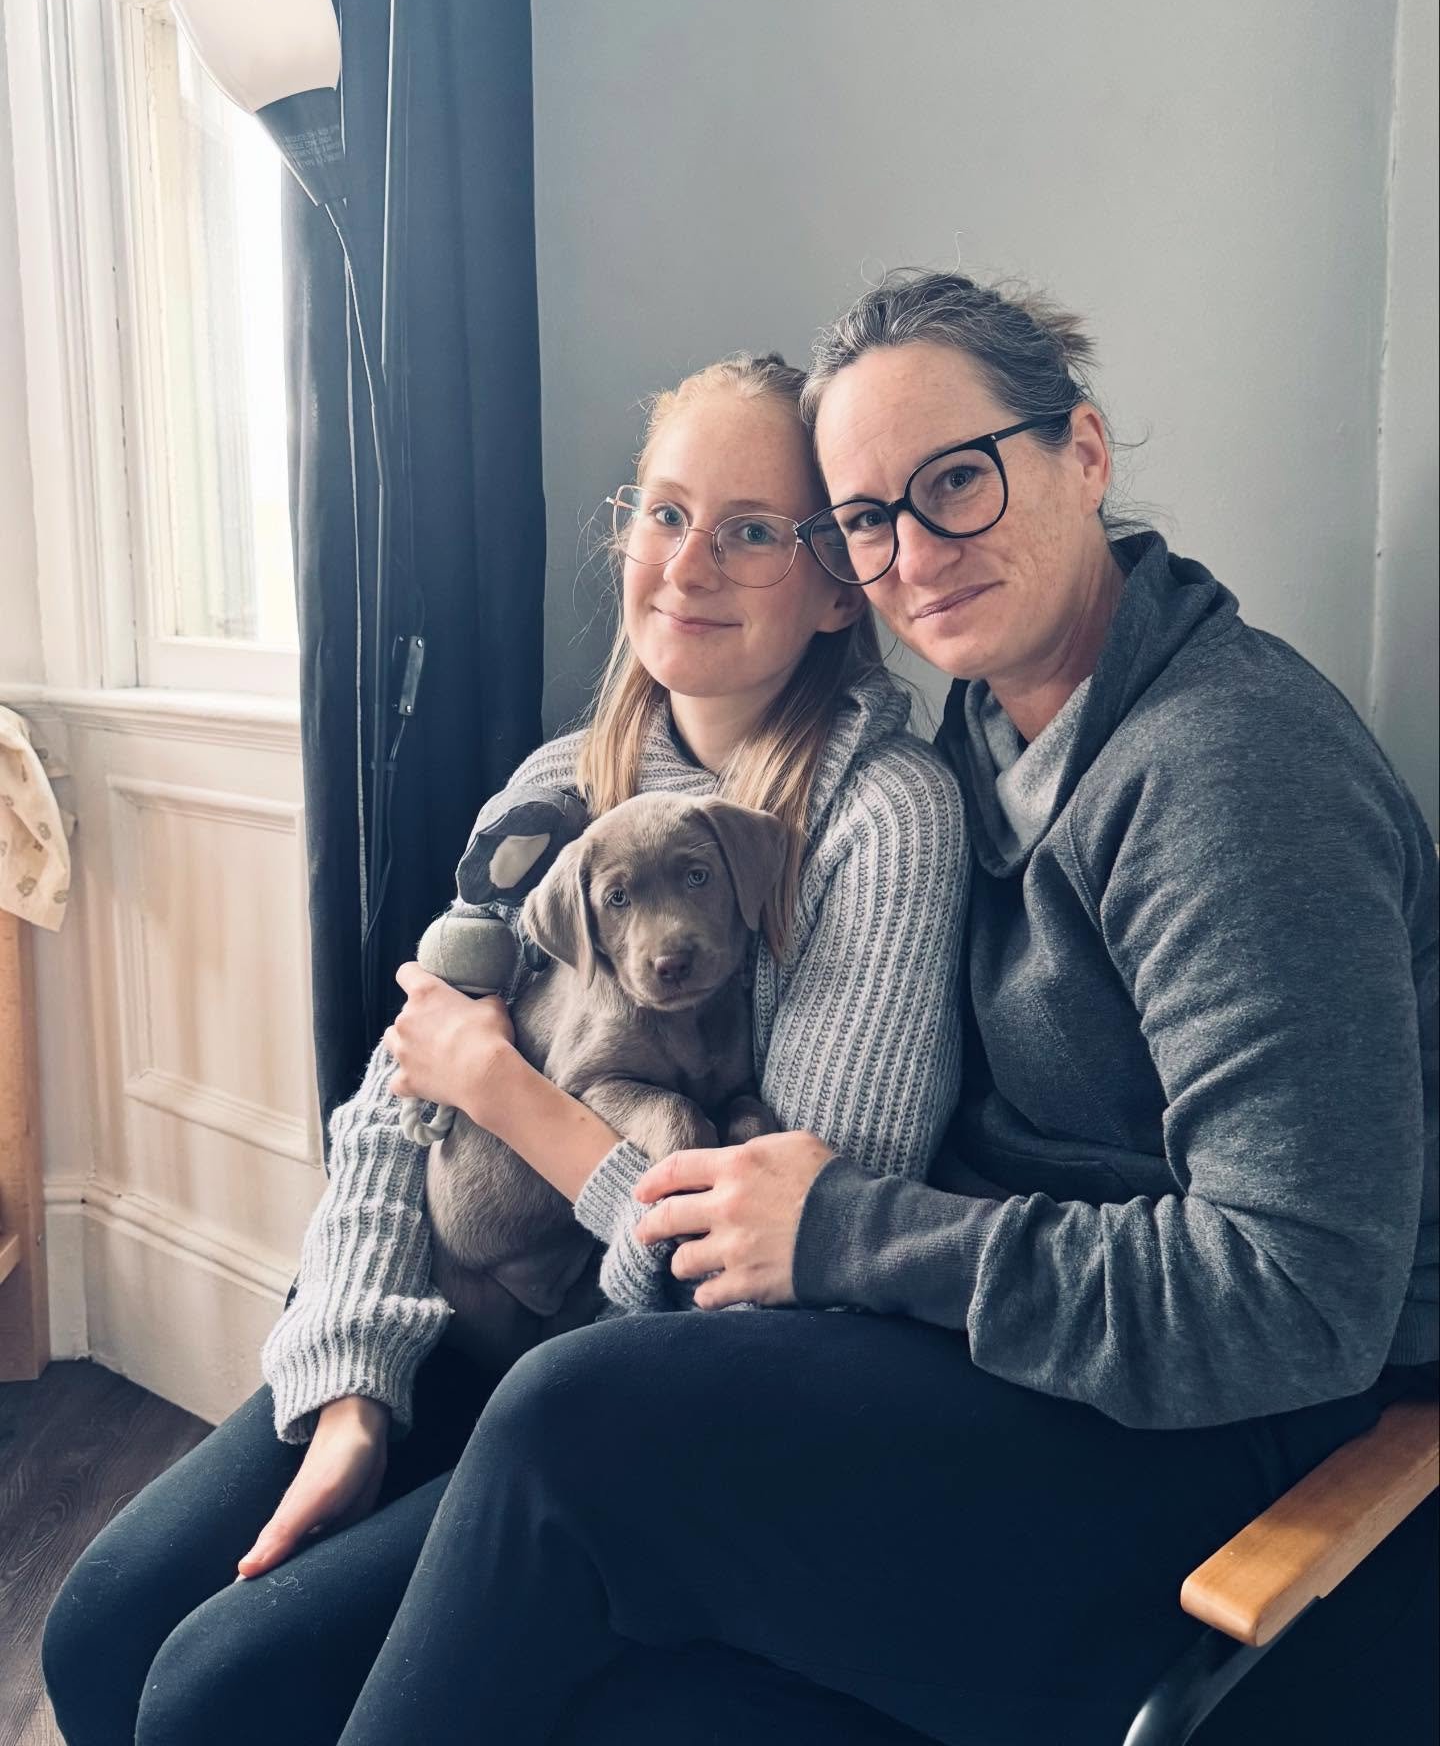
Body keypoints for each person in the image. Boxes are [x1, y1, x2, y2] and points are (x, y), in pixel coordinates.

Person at [316, 271, 1432, 1746]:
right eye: (867, 517)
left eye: (955, 482)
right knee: (220, 1675)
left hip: (1211, 1445)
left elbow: (1297, 1303)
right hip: (997, 1353)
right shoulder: (993, 721)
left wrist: (850, 1227)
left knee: (577, 1415)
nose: (914, 553)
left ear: (1083, 455)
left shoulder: (1232, 777)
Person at [40, 352, 970, 1746]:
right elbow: (391, 1105)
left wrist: (508, 1091)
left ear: (840, 580)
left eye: (752, 528)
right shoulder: (556, 792)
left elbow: (793, 1265)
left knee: (216, 1696)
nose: (689, 562)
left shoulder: (880, 822)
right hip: (461, 1320)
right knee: (103, 1628)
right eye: (663, 514)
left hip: (625, 1390)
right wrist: (354, 1385)